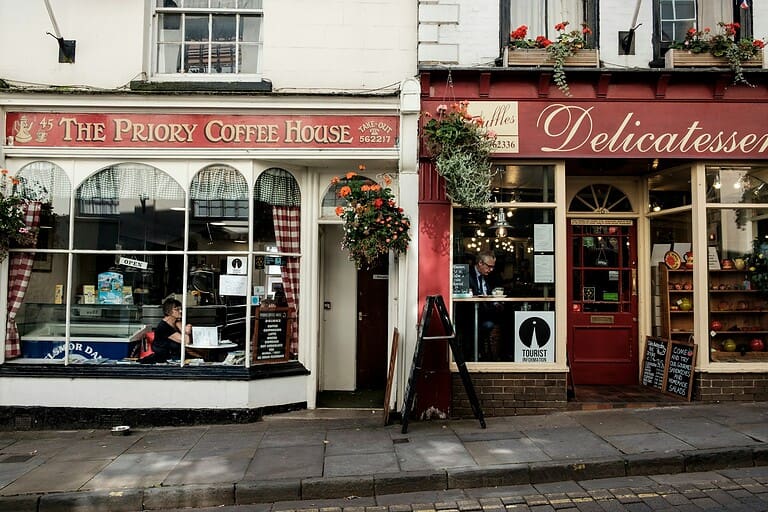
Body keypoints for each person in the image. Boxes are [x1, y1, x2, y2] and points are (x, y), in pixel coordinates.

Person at [467, 251, 504, 360]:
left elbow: (490, 292)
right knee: (488, 325)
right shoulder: (467, 275)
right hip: (469, 315)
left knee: (505, 318)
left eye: (493, 267)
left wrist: (496, 302)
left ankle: (494, 354)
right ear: (480, 263)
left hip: (484, 312)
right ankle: (477, 354)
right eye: (489, 266)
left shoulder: (488, 276)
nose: (491, 270)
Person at [151, 298, 202, 362]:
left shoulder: (177, 322)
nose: (180, 311)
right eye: (177, 309)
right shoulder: (164, 327)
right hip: (166, 358)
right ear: (168, 311)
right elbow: (186, 341)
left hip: (178, 355)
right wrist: (187, 332)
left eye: (181, 309)